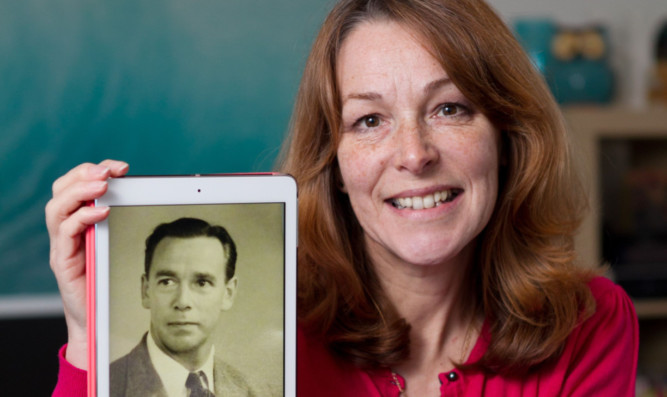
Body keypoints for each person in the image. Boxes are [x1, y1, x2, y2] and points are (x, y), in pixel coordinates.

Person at [48, 0, 639, 396]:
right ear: (331, 162)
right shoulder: (256, 337)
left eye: (449, 108)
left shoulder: (589, 324)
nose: (414, 154)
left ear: (508, 137)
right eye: (368, 121)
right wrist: (87, 340)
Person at [109, 217, 255, 397]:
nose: (183, 302)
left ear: (228, 293)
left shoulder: (255, 392)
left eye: (202, 283)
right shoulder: (103, 386)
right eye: (167, 282)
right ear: (146, 291)